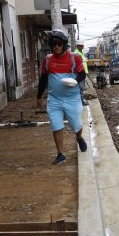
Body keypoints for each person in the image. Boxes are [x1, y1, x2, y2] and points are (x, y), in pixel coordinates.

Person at [36, 29, 88, 165]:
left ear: (64, 44)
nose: (56, 47)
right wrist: (39, 97)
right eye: (54, 44)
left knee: (76, 124)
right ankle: (60, 154)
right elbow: (43, 79)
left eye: (59, 44)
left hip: (72, 98)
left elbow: (83, 74)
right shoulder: (47, 60)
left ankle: (79, 137)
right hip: (54, 99)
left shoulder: (74, 58)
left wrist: (75, 81)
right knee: (56, 125)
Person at [74, 40, 89, 106]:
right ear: (77, 46)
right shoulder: (77, 53)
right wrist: (83, 60)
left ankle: (81, 100)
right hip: (79, 73)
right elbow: (78, 62)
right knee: (81, 88)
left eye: (82, 46)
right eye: (80, 46)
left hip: (83, 72)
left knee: (82, 88)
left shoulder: (81, 52)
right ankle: (81, 101)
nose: (82, 47)